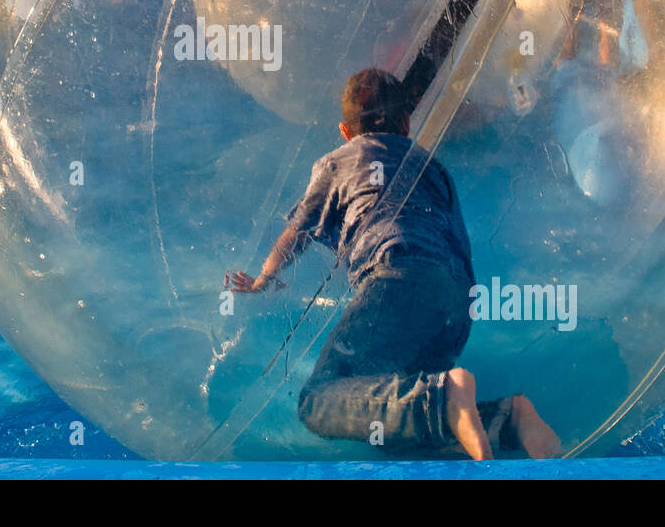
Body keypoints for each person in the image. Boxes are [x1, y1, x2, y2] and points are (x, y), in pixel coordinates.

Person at [229, 68, 562, 460]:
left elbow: (297, 232)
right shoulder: (430, 165)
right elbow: (456, 238)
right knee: (386, 413)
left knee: (319, 401)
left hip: (397, 277)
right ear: (406, 123)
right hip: (456, 302)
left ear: (344, 131)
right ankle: (508, 419)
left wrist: (264, 278)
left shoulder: (340, 160)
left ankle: (446, 399)